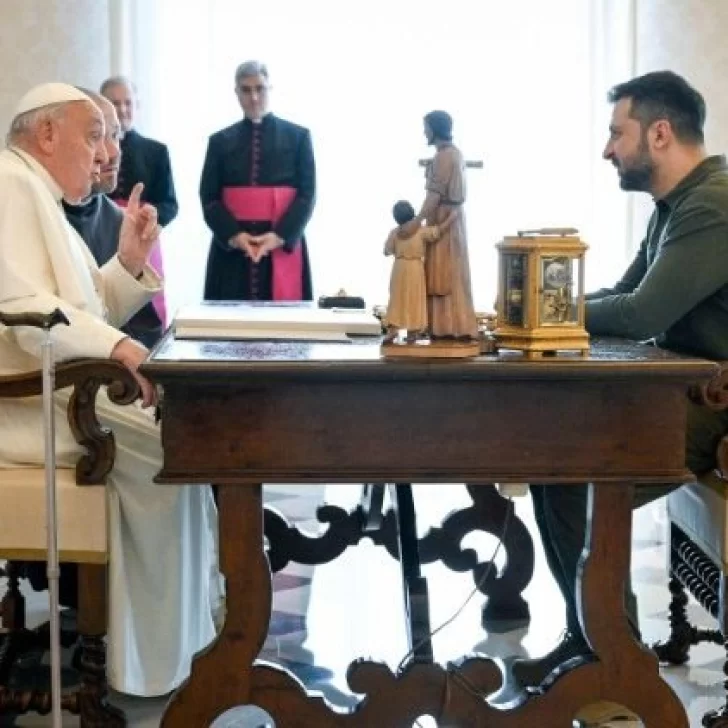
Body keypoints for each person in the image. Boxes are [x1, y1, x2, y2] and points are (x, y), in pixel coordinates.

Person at [513, 71, 728, 696]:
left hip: (712, 400)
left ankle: (616, 667)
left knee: (573, 474)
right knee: (553, 465)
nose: (608, 149)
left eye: (617, 133)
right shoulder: (678, 204)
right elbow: (619, 294)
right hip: (680, 389)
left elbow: (640, 316)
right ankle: (594, 645)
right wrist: (528, 314)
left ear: (658, 134)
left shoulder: (711, 204)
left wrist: (536, 314)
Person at [0, 83, 218, 697]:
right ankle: (153, 662)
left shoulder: (38, 194)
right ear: (46, 135)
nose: (103, 153)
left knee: (187, 439)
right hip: (24, 406)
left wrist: (126, 263)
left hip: (56, 391)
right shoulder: (10, 185)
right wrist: (118, 348)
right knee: (177, 447)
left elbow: (81, 310)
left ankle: (184, 640)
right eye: (92, 134)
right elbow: (20, 311)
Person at [200, 60, 315, 302]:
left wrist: (279, 236)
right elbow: (209, 197)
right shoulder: (219, 142)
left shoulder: (299, 137)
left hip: (282, 244)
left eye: (259, 88)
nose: (253, 97)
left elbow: (307, 195)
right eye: (246, 89)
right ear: (236, 92)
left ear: (269, 88)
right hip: (232, 251)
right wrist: (235, 236)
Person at [63, 90, 163, 347]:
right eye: (96, 136)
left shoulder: (117, 219)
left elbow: (143, 329)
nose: (112, 152)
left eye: (116, 135)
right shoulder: (36, 207)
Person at [101, 75, 177, 327]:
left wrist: (147, 216)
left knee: (146, 314)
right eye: (115, 103)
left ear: (137, 106)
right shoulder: (94, 150)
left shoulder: (156, 151)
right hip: (101, 234)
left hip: (144, 235)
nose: (122, 110)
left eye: (127, 103)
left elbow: (170, 203)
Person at [405, 111, 477, 340]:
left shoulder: (444, 157)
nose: (424, 132)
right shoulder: (452, 154)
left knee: (443, 276)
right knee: (449, 273)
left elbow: (433, 197)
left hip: (445, 218)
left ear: (435, 129)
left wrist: (415, 222)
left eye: (426, 127)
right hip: (451, 217)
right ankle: (447, 324)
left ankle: (445, 326)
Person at [383, 200, 454, 343]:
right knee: (415, 300)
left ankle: (393, 330)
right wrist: (451, 218)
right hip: (415, 268)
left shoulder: (395, 232)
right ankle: (412, 332)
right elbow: (437, 231)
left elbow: (386, 251)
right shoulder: (420, 230)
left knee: (397, 300)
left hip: (399, 267)